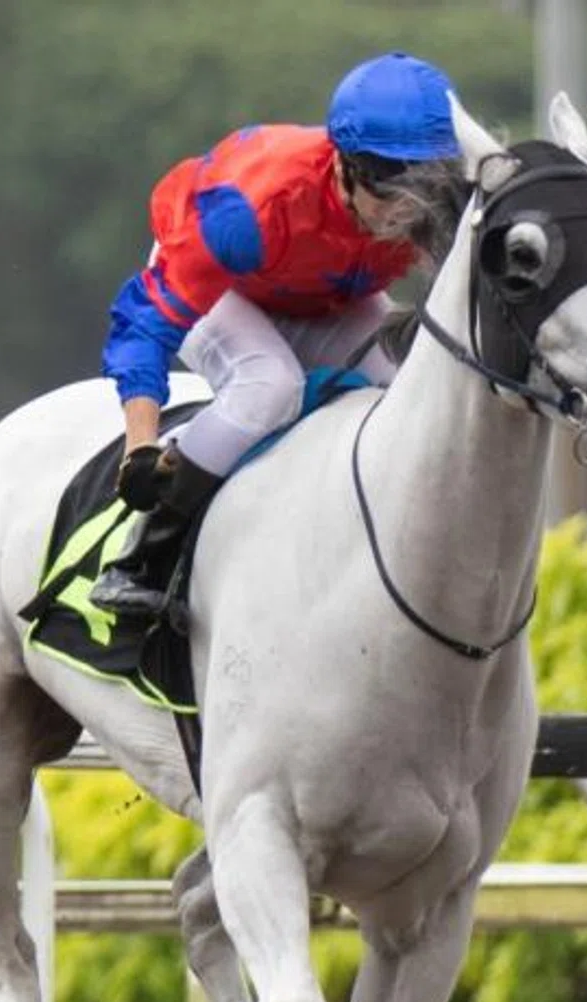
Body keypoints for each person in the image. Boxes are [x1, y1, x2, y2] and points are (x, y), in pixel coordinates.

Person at [88, 51, 463, 619]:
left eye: (426, 188)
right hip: (226, 291)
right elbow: (147, 324)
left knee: (409, 388)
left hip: (326, 295)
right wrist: (139, 448)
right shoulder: (252, 209)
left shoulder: (431, 209)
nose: (407, 213)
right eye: (392, 189)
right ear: (346, 165)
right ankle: (144, 555)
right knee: (270, 384)